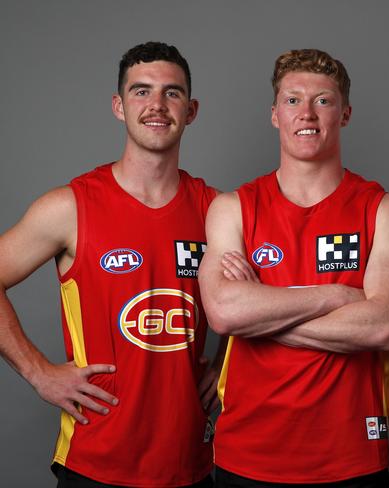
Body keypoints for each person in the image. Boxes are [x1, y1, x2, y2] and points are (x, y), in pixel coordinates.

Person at [0, 42, 220, 487]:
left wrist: (228, 362)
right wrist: (39, 373)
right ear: (119, 106)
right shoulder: (70, 206)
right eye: (141, 92)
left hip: (191, 463)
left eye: (171, 93)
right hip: (94, 461)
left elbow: (265, 294)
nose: (157, 105)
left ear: (191, 110)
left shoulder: (216, 210)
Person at [199, 49, 389, 487]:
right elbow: (224, 314)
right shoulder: (233, 208)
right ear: (275, 114)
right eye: (293, 100)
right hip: (248, 452)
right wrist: (334, 296)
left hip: (351, 453)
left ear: (346, 113)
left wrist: (260, 314)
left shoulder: (384, 210)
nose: (307, 113)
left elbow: (385, 326)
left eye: (324, 100)